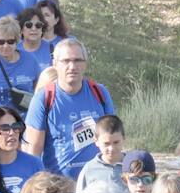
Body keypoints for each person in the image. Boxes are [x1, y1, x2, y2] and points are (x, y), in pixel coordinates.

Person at [23, 38, 115, 178]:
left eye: (78, 60)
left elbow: (113, 139)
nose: (72, 66)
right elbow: (33, 153)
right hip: (59, 185)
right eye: (66, 61)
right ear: (55, 64)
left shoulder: (100, 93)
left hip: (96, 181)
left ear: (85, 64)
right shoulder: (44, 98)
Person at [0, 16, 41, 112]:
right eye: (1, 42)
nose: (6, 46)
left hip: (26, 119)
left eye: (10, 41)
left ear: (17, 41)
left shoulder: (30, 60)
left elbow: (39, 89)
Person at [74, 114, 125, 191]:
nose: (111, 148)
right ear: (96, 141)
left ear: (124, 139)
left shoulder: (132, 165)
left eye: (116, 142)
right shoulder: (89, 170)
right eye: (106, 144)